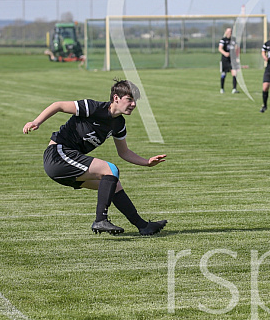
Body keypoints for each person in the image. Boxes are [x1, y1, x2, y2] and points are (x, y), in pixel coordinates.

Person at [22, 80, 168, 236]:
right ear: (116, 98)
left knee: (113, 184)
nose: (133, 104)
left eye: (135, 101)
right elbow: (58, 105)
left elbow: (124, 152)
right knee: (110, 170)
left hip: (67, 165)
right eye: (130, 99)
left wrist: (147, 162)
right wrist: (36, 121)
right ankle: (100, 220)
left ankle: (143, 226)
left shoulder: (118, 124)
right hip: (58, 155)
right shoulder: (93, 108)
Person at [219, 28, 239, 94]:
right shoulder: (223, 40)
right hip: (225, 60)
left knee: (234, 73)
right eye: (228, 31)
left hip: (232, 60)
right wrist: (225, 53)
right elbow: (220, 48)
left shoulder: (234, 40)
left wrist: (237, 57)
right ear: (226, 32)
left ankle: (234, 89)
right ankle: (222, 88)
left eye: (230, 31)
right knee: (223, 74)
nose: (229, 32)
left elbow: (237, 49)